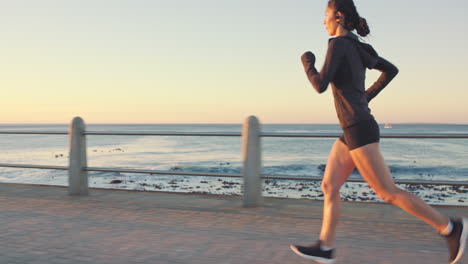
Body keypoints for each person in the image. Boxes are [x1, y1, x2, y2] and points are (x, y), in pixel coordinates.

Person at [289, 1, 467, 263]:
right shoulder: (357, 46)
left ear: (338, 16)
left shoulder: (339, 45)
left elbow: (320, 85)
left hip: (358, 128)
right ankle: (325, 247)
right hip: (353, 128)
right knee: (329, 185)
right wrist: (365, 97)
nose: (323, 21)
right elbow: (390, 70)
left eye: (325, 15)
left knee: (387, 192)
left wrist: (307, 62)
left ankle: (451, 228)